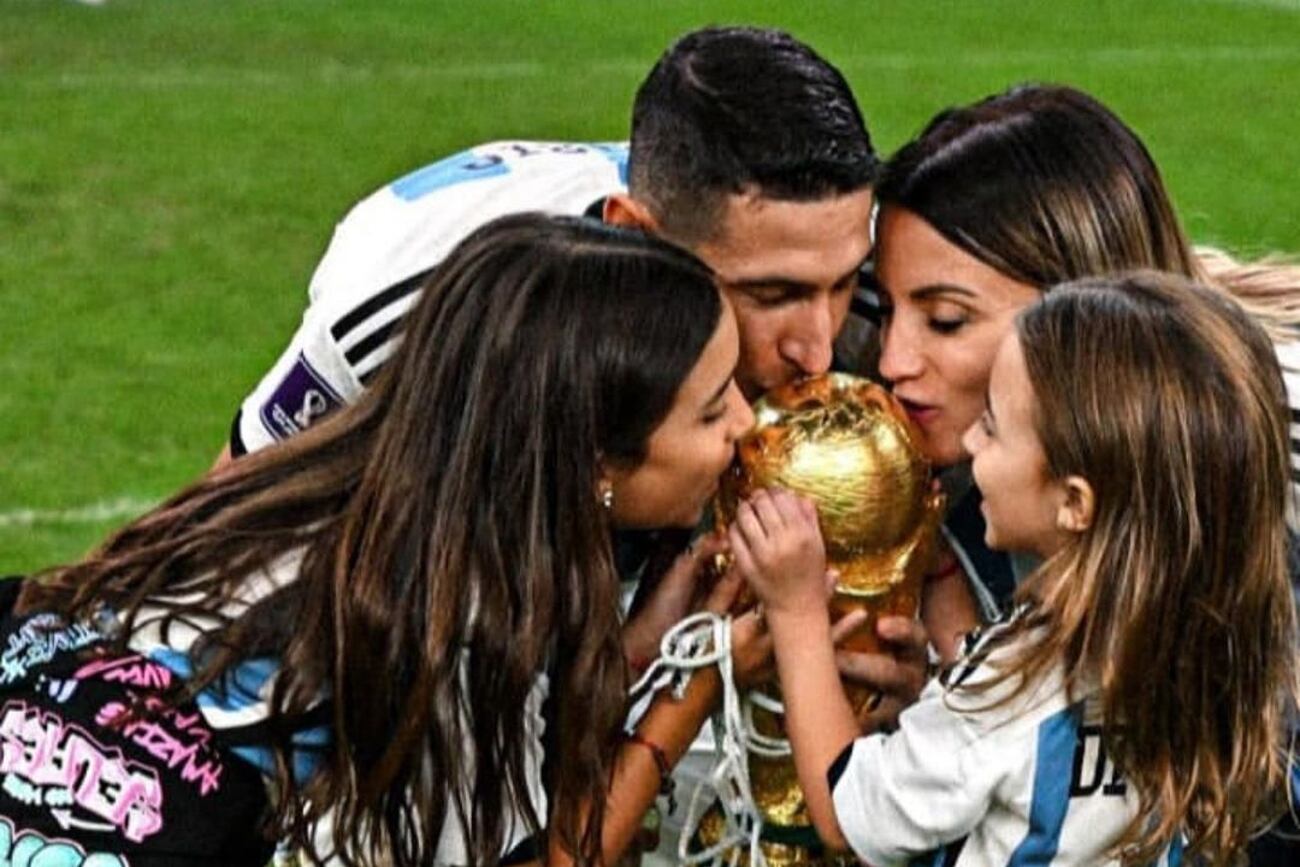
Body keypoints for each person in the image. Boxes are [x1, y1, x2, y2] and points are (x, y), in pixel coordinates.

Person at [0, 215, 768, 866]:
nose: (745, 425)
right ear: (596, 459)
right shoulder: (442, 628)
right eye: (710, 411)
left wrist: (632, 653)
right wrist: (691, 686)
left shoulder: (294, 485)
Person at [732, 273, 1299, 866]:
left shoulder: (1016, 682)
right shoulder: (1230, 652)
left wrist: (794, 612)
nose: (973, 440)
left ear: (1075, 503)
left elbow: (847, 812)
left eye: (994, 427)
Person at [218, 25, 879, 465]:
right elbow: (225, 512)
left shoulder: (884, 280)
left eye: (843, 282)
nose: (817, 349)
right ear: (632, 236)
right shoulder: (424, 302)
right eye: (771, 294)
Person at [859, 83, 1300, 628]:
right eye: (884, 309)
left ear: (1088, 315)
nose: (891, 362)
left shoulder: (1258, 474)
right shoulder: (928, 445)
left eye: (947, 322)